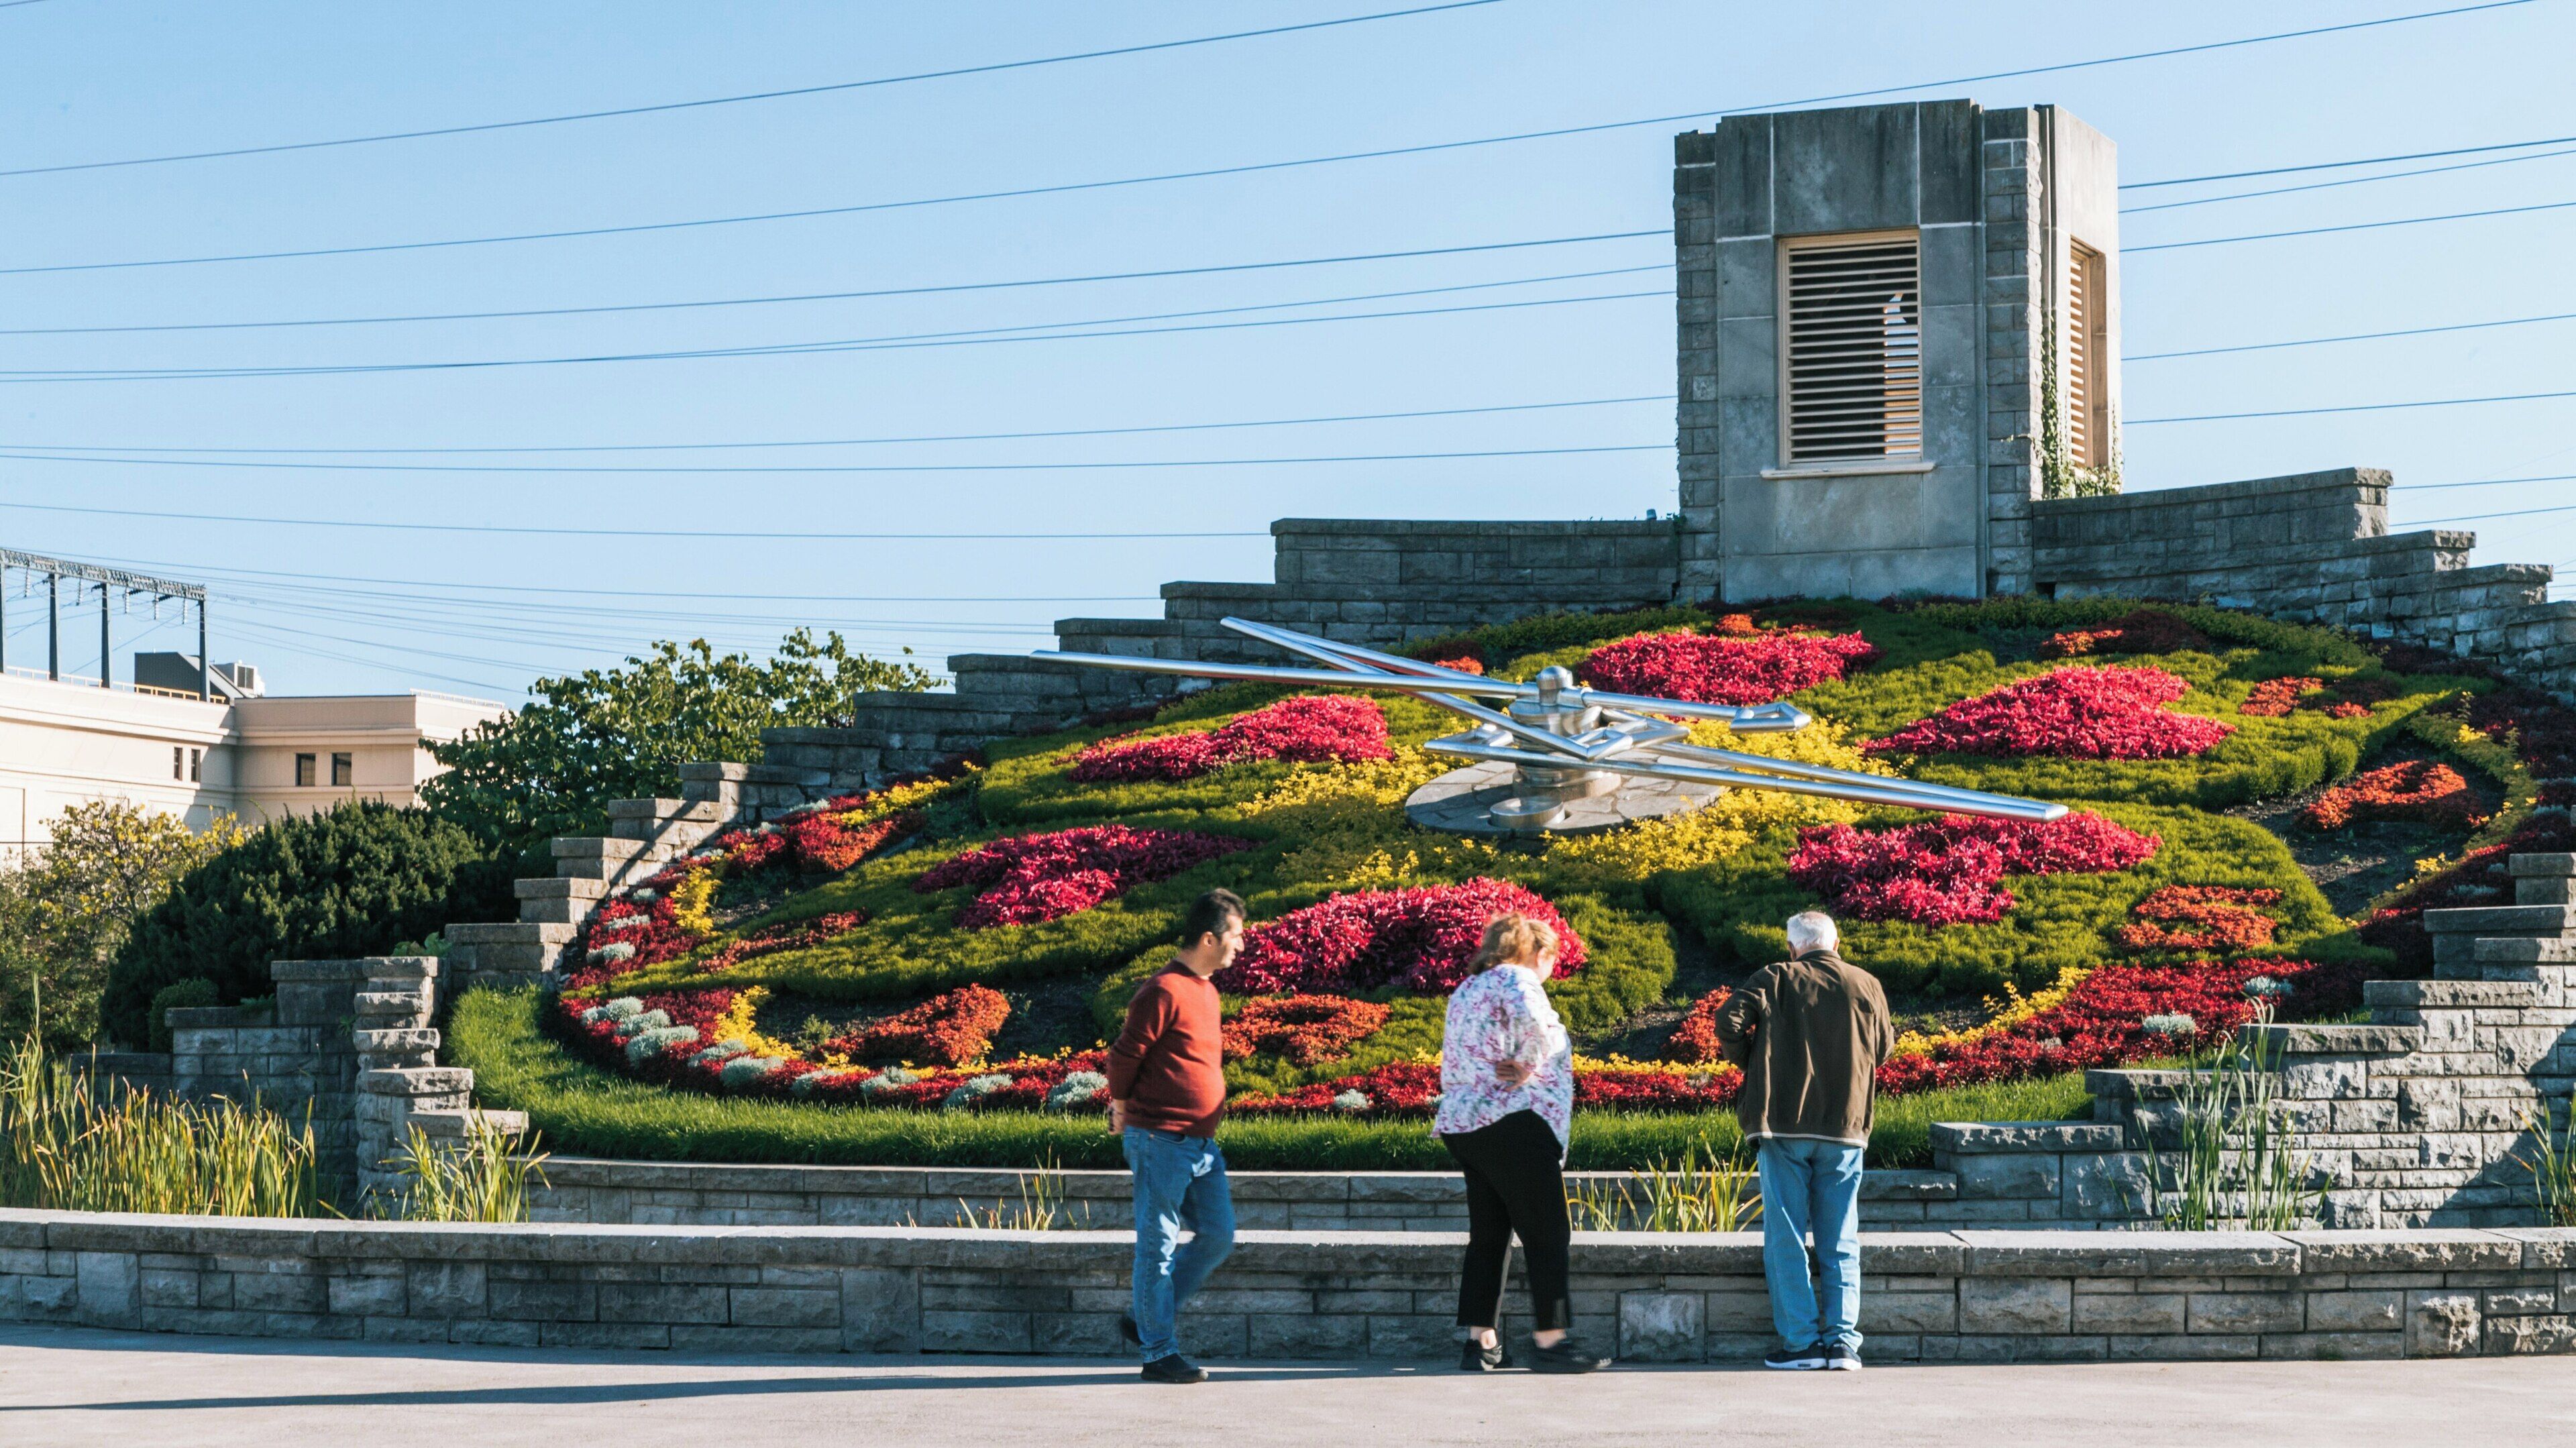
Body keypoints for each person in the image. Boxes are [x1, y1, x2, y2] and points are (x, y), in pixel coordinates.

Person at [1713, 909, 1894, 1373]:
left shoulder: (1775, 977)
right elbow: (1884, 1047)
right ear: (1836, 944)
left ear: (1793, 947)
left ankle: (1800, 1343)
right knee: (1841, 1237)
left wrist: (1752, 1063)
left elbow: (1728, 1022)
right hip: (1845, 1127)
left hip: (1783, 1126)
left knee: (1787, 1237)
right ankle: (1843, 1344)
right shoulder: (1866, 983)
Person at [1433, 911, 1611, 1374]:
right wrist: (1530, 1065)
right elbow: (1543, 1029)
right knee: (1547, 1230)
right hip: (1513, 1119)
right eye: (1551, 956)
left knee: (1489, 1234)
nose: (1552, 966)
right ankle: (1551, 1341)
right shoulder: (1519, 979)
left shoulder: (1468, 989)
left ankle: (1481, 1341)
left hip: (1466, 1124)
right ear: (1536, 951)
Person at [1108, 887, 1244, 1384]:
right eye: (1236, 936)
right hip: (1160, 1138)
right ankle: (1158, 1350)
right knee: (1157, 1246)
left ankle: (1146, 1319)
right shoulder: (1163, 989)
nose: (1241, 946)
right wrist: (1120, 1106)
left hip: (1201, 1145)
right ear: (1209, 937)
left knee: (1218, 1235)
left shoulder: (1206, 990)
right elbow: (1124, 1055)